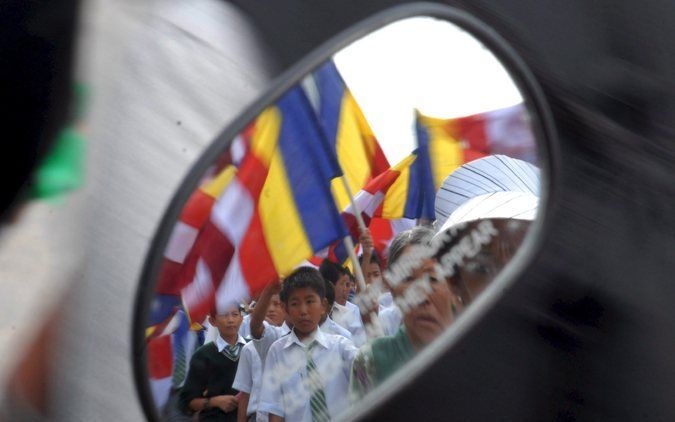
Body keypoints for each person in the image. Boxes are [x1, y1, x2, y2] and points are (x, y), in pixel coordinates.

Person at [350, 227, 461, 397]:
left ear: (452, 284)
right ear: (392, 289)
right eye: (408, 279)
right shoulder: (370, 361)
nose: (421, 295)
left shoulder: (480, 345)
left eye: (433, 278)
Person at [258, 267, 358, 422]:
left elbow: (368, 366)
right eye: (295, 303)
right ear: (286, 309)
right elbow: (275, 408)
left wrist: (370, 319)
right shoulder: (277, 352)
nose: (303, 310)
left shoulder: (340, 346)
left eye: (310, 301)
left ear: (324, 305)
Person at [178, 306, 246, 421]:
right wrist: (214, 401)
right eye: (224, 315)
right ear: (212, 321)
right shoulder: (204, 355)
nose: (230, 320)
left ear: (241, 318)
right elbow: (186, 402)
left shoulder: (251, 349)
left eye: (235, 315)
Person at [233, 293, 287, 422]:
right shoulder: (249, 349)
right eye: (266, 304)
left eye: (277, 304)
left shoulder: (293, 343)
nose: (271, 309)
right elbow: (245, 394)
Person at [319, 260, 367, 346]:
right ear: (330, 285)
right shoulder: (316, 311)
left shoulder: (353, 310)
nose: (346, 289)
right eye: (342, 284)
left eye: (348, 285)